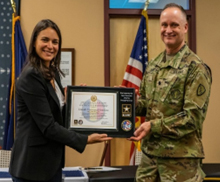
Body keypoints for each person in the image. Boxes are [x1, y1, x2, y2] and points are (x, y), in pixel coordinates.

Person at [9, 19, 112, 182]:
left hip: (50, 165)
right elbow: (48, 127)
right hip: (32, 169)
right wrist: (86, 139)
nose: (50, 46)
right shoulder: (31, 76)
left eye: (55, 42)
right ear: (34, 41)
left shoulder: (52, 72)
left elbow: (56, 114)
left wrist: (76, 102)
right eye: (45, 40)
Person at [128, 3, 212, 182]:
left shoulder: (196, 68)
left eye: (174, 25)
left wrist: (153, 126)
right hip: (150, 160)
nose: (168, 30)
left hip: (180, 164)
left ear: (185, 27)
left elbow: (192, 119)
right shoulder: (153, 65)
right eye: (164, 25)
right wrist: (131, 102)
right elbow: (148, 106)